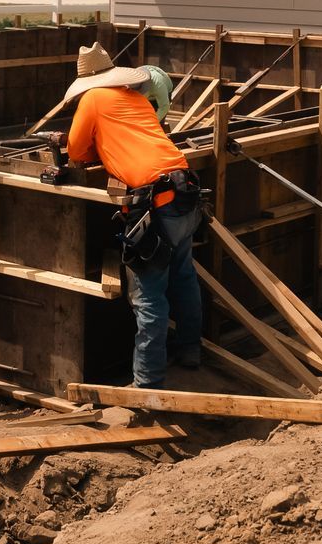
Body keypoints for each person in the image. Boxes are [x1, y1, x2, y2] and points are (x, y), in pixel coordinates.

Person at [44, 44, 203, 387]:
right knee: (183, 276)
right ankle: (190, 350)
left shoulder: (92, 100)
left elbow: (76, 152)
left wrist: (74, 141)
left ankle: (147, 382)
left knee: (148, 296)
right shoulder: (135, 98)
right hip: (184, 189)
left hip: (155, 202)